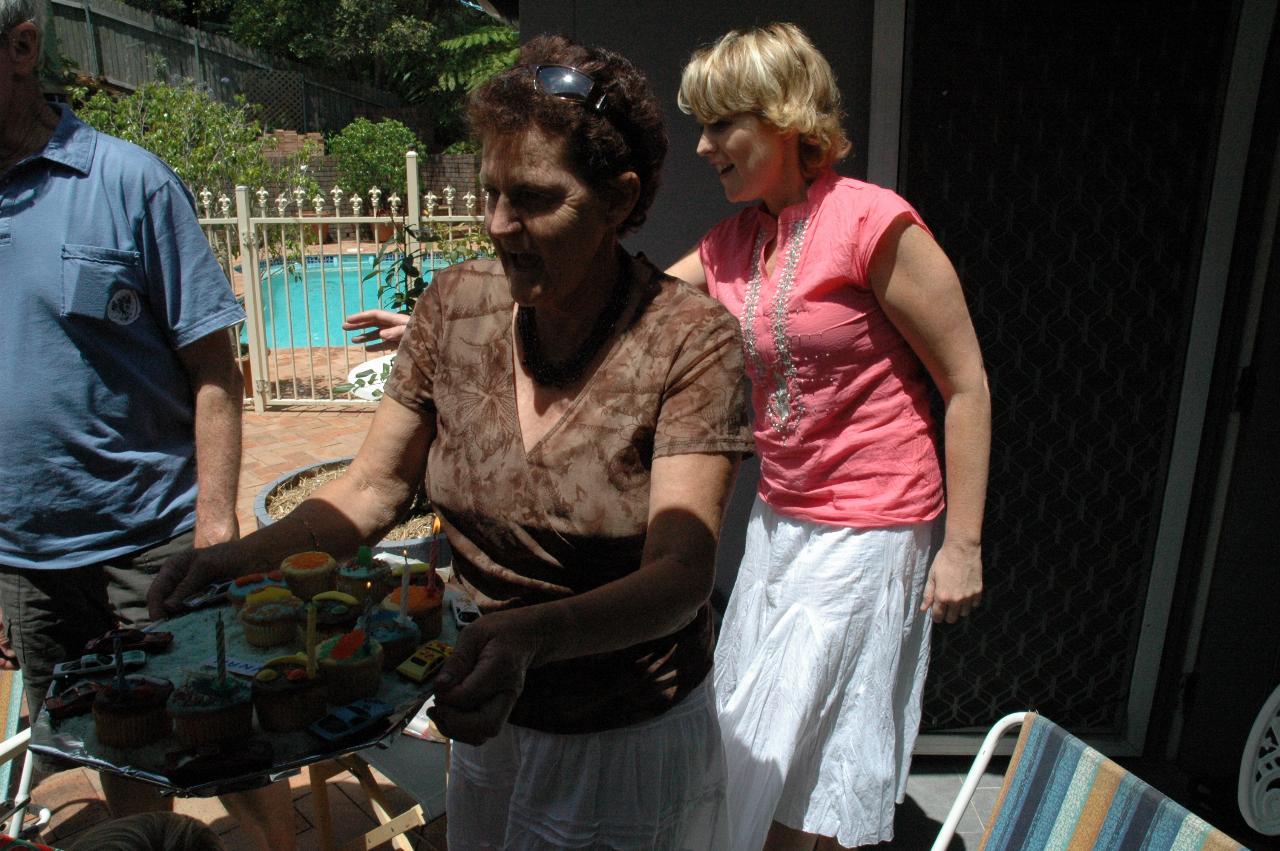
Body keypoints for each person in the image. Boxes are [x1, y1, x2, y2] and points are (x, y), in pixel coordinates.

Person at [150, 34, 754, 850]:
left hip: (623, 735)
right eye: (492, 192)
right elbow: (368, 492)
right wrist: (230, 559)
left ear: (619, 199)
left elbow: (680, 575)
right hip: (488, 711)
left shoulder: (690, 340)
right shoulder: (456, 308)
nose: (502, 224)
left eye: (537, 198)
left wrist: (531, 634)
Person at [667, 23, 991, 851]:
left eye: (720, 125)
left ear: (783, 119)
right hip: (783, 519)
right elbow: (625, 311)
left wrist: (964, 544)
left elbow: (965, 385)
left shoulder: (874, 224)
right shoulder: (733, 242)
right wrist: (471, 322)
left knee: (801, 738)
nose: (703, 147)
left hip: (876, 523)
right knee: (752, 723)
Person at [0, 3, 294, 847]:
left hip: (151, 546)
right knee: (108, 750)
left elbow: (214, 368)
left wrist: (214, 524)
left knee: (225, 740)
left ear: (21, 48)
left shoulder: (129, 183)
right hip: (29, 563)